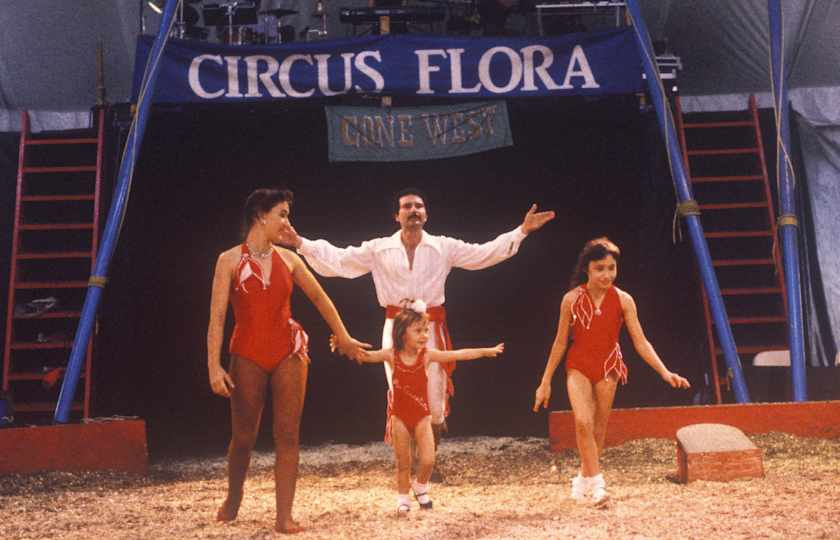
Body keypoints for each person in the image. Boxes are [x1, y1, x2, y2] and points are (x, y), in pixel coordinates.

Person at [277, 187, 554, 478]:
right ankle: (408, 464)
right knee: (402, 394)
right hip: (395, 328)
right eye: (407, 206)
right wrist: (300, 243)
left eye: (418, 206)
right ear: (396, 216)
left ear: (426, 214)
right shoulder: (379, 249)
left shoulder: (443, 247)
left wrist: (521, 231)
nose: (413, 211)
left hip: (428, 329)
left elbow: (483, 253)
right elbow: (340, 260)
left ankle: (428, 461)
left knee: (433, 399)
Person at [207, 188, 368, 534]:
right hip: (247, 352)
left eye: (287, 214)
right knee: (244, 438)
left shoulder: (290, 259)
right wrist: (213, 366)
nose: (287, 222)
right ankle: (233, 497)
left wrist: (343, 336)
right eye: (281, 214)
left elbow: (321, 299)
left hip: (289, 350)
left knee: (288, 435)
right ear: (260, 215)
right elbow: (217, 319)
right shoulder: (228, 260)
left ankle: (284, 516)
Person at [532, 237, 690, 506]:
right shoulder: (571, 299)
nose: (606, 275)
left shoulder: (624, 300)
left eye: (611, 268)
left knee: (598, 429)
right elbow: (560, 342)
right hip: (578, 366)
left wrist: (665, 372)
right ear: (587, 268)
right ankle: (598, 486)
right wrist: (545, 381)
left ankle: (583, 479)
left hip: (609, 367)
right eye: (600, 269)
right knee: (583, 422)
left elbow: (641, 342)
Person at [358, 298, 504, 515]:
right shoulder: (391, 355)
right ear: (402, 333)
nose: (425, 335)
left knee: (428, 460)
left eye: (426, 330)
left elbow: (458, 354)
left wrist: (485, 351)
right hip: (399, 416)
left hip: (421, 416)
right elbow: (366, 356)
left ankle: (420, 486)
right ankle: (403, 498)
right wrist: (344, 345)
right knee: (403, 463)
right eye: (418, 331)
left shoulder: (427, 355)